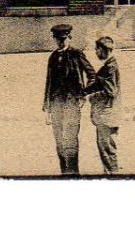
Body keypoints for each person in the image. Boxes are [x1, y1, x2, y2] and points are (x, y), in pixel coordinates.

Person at [41, 23, 94, 175]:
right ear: (54, 39)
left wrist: (83, 93)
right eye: (58, 39)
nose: (61, 42)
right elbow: (49, 81)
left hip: (71, 103)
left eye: (64, 39)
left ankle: (73, 173)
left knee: (70, 139)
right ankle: (64, 172)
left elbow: (92, 75)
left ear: (69, 38)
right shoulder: (52, 57)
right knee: (59, 140)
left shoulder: (77, 54)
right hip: (56, 104)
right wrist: (47, 105)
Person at [87, 35, 122, 175]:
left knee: (107, 150)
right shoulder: (109, 66)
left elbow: (110, 92)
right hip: (108, 114)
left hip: (107, 115)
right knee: (106, 149)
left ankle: (113, 177)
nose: (96, 52)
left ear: (103, 50)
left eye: (97, 49)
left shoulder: (110, 68)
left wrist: (92, 97)